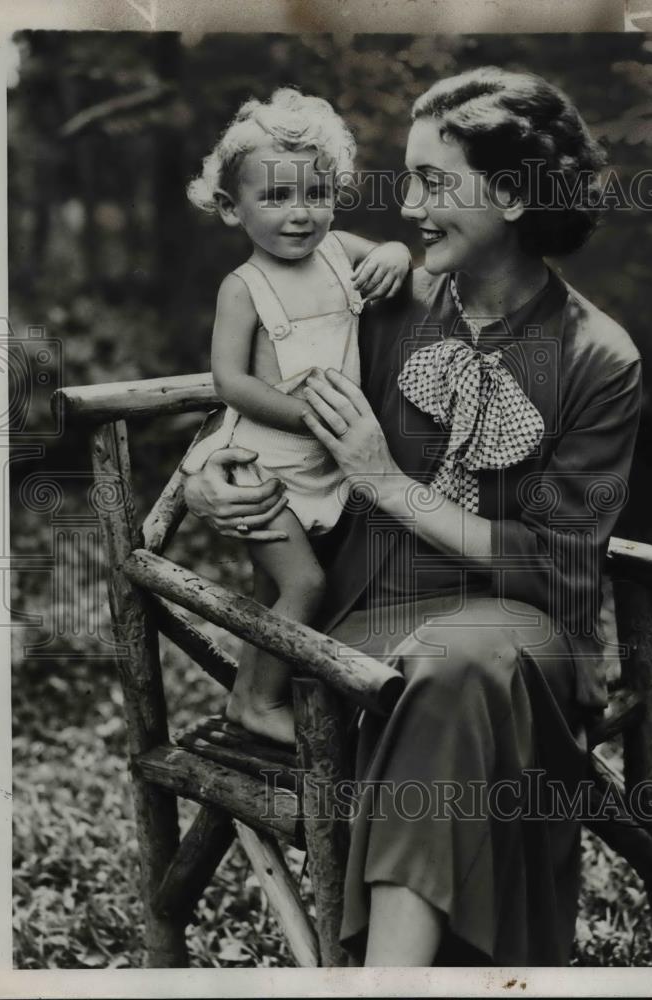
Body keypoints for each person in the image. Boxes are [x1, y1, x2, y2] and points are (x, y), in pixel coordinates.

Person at [184, 67, 642, 967]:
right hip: (363, 617)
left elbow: (556, 566)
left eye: (435, 183)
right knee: (438, 674)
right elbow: (261, 399)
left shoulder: (599, 356)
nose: (411, 206)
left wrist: (388, 483)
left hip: (525, 627)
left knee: (457, 665)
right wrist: (212, 482)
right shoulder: (385, 296)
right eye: (406, 180)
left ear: (511, 196)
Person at [182, 88, 411, 743]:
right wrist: (305, 415)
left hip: (324, 462)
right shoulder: (244, 287)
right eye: (275, 198)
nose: (299, 213)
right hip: (257, 464)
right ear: (232, 207)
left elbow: (390, 258)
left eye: (315, 193)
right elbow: (231, 381)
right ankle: (258, 704)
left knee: (283, 590)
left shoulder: (339, 251)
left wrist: (394, 252)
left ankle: (256, 697)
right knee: (303, 583)